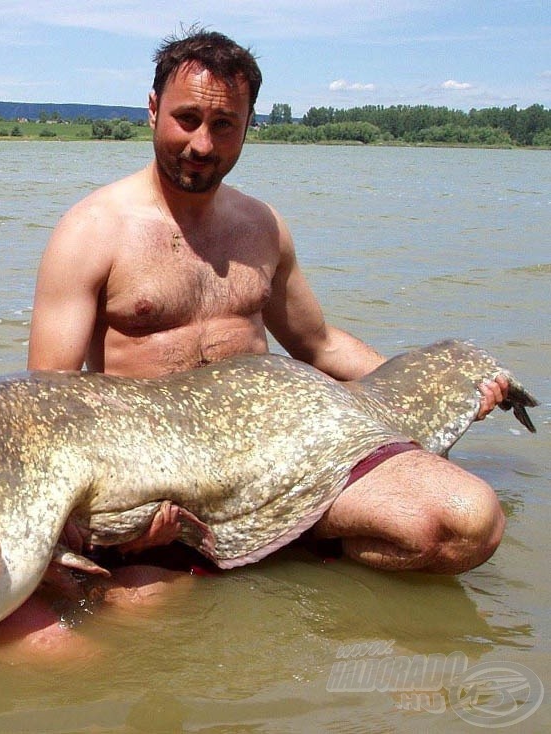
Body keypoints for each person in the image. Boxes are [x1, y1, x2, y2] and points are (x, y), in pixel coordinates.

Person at [28, 28, 508, 577]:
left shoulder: (263, 226)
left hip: (284, 456)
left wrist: (432, 387)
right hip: (156, 479)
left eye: (224, 125)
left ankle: (303, 539)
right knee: (140, 620)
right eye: (187, 119)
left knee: (469, 523)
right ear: (154, 110)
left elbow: (318, 343)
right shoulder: (91, 231)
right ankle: (269, 552)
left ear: (248, 126)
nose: (202, 144)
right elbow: (46, 401)